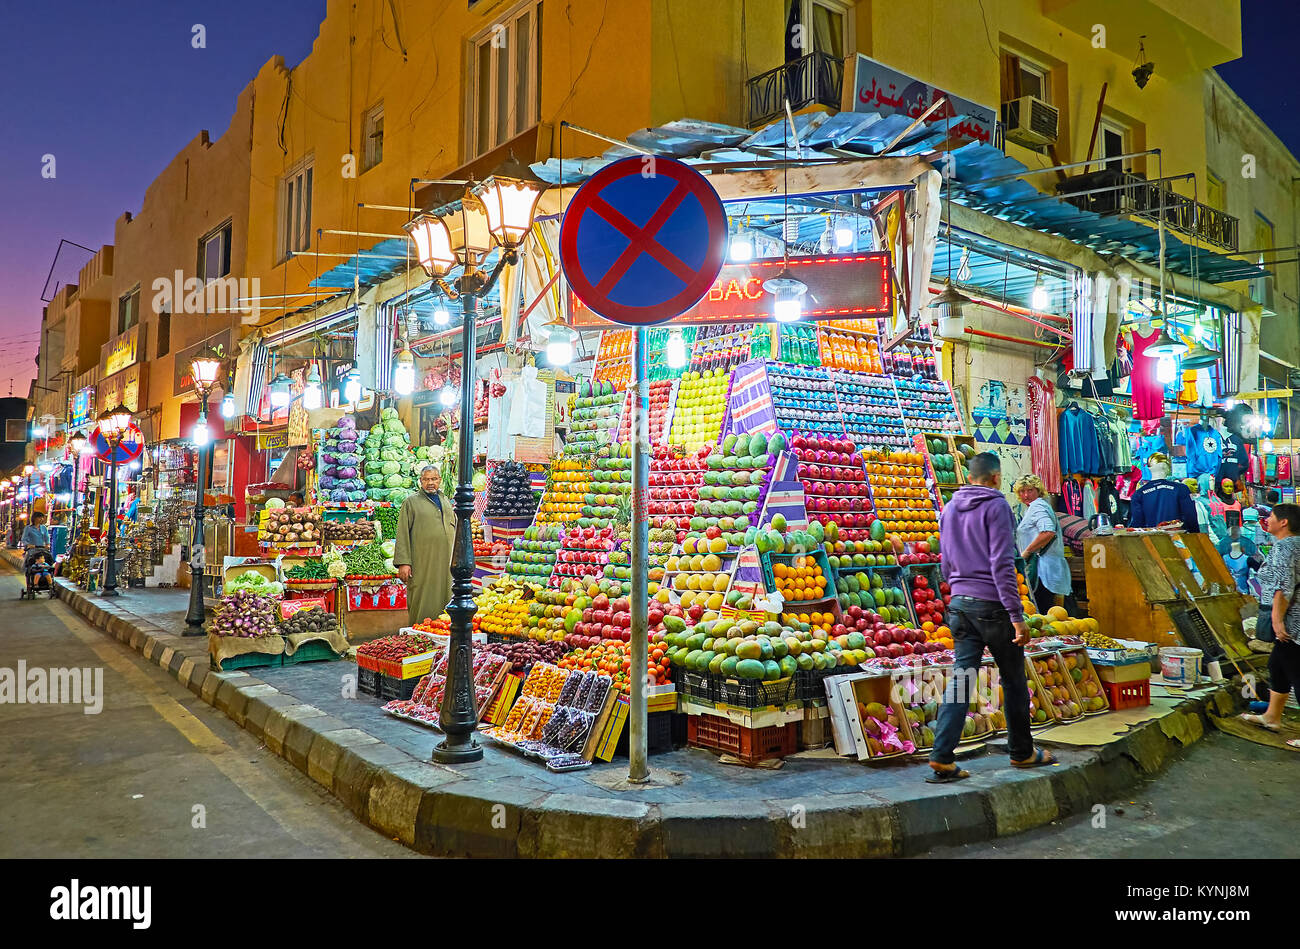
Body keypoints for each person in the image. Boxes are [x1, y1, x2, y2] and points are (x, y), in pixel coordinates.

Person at [928, 452, 1056, 782]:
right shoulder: (997, 505)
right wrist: (1016, 616)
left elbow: (945, 562)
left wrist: (957, 589)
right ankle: (1022, 752)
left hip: (959, 605)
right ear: (996, 477)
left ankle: (942, 756)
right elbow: (1002, 564)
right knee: (1013, 679)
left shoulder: (950, 506)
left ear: (971, 476)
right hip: (993, 607)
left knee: (961, 679)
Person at [1240, 503, 1300, 747]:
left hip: (1291, 619)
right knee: (1277, 666)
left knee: (1295, 671)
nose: (1268, 520)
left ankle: (1273, 717)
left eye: (1272, 517)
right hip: (1292, 615)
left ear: (1284, 522)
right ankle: (1272, 717)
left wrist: (1277, 620)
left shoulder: (1285, 547)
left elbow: (1284, 587)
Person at [393, 464, 456, 627]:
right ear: (420, 481)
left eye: (434, 479)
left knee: (446, 597)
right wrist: (404, 562)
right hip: (422, 562)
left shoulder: (446, 500)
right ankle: (419, 634)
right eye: (426, 479)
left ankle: (442, 633)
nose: (430, 483)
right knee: (422, 599)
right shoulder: (411, 502)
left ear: (440, 480)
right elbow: (402, 533)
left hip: (445, 561)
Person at [1011, 473, 1072, 616]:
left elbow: (1048, 532)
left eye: (1030, 490)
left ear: (1038, 491)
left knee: (1045, 614)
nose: (1026, 495)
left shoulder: (1037, 506)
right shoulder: (1036, 506)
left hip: (1043, 570)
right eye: (1022, 491)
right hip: (1049, 568)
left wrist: (1026, 553)